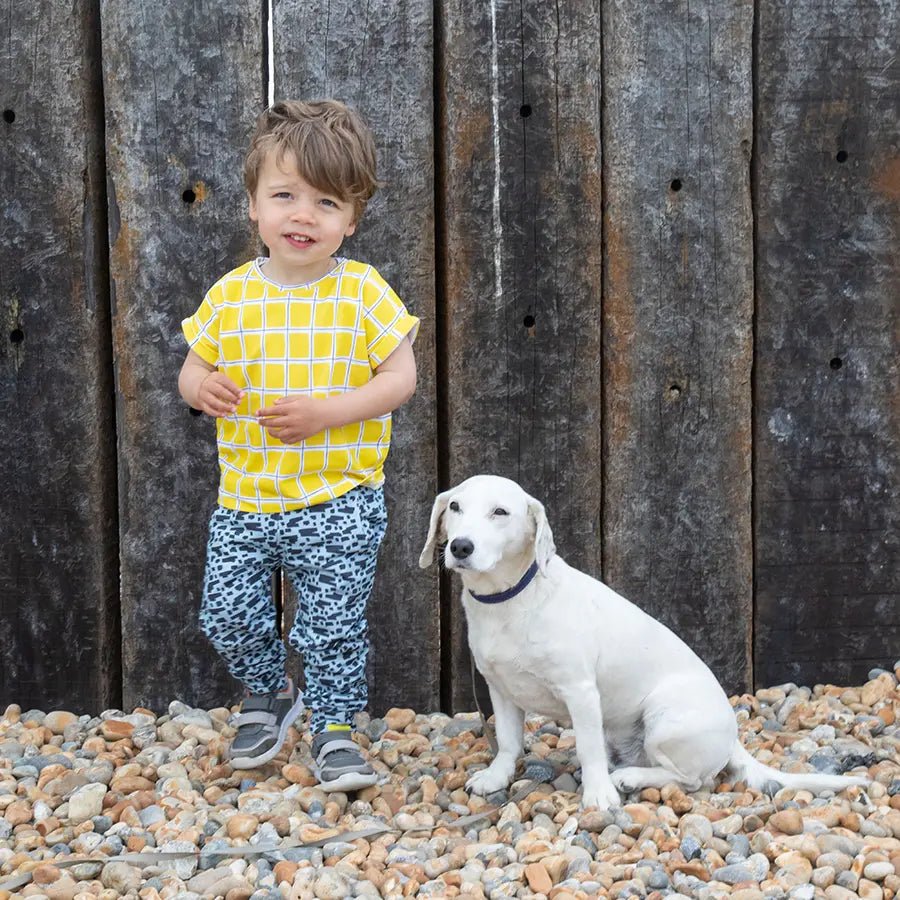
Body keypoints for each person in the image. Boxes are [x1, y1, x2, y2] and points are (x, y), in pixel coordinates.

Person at [178, 100, 419, 792]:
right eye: (284, 196)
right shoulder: (231, 296)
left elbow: (400, 377)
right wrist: (203, 388)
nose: (302, 215)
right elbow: (192, 366)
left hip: (338, 497)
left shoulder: (363, 293)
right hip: (247, 498)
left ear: (351, 218)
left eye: (326, 202)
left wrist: (328, 414)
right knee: (226, 610)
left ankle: (336, 730)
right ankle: (268, 692)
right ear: (253, 208)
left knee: (332, 624)